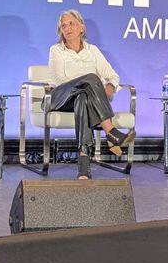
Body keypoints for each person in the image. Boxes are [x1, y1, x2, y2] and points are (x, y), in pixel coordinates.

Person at [48, 10, 135, 179]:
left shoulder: (92, 50)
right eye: (63, 25)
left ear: (82, 27)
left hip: (80, 100)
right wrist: (91, 84)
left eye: (71, 23)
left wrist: (108, 88)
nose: (67, 28)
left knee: (83, 99)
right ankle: (111, 132)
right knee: (91, 79)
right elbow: (58, 79)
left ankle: (83, 165)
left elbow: (113, 76)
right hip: (60, 98)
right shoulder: (56, 50)